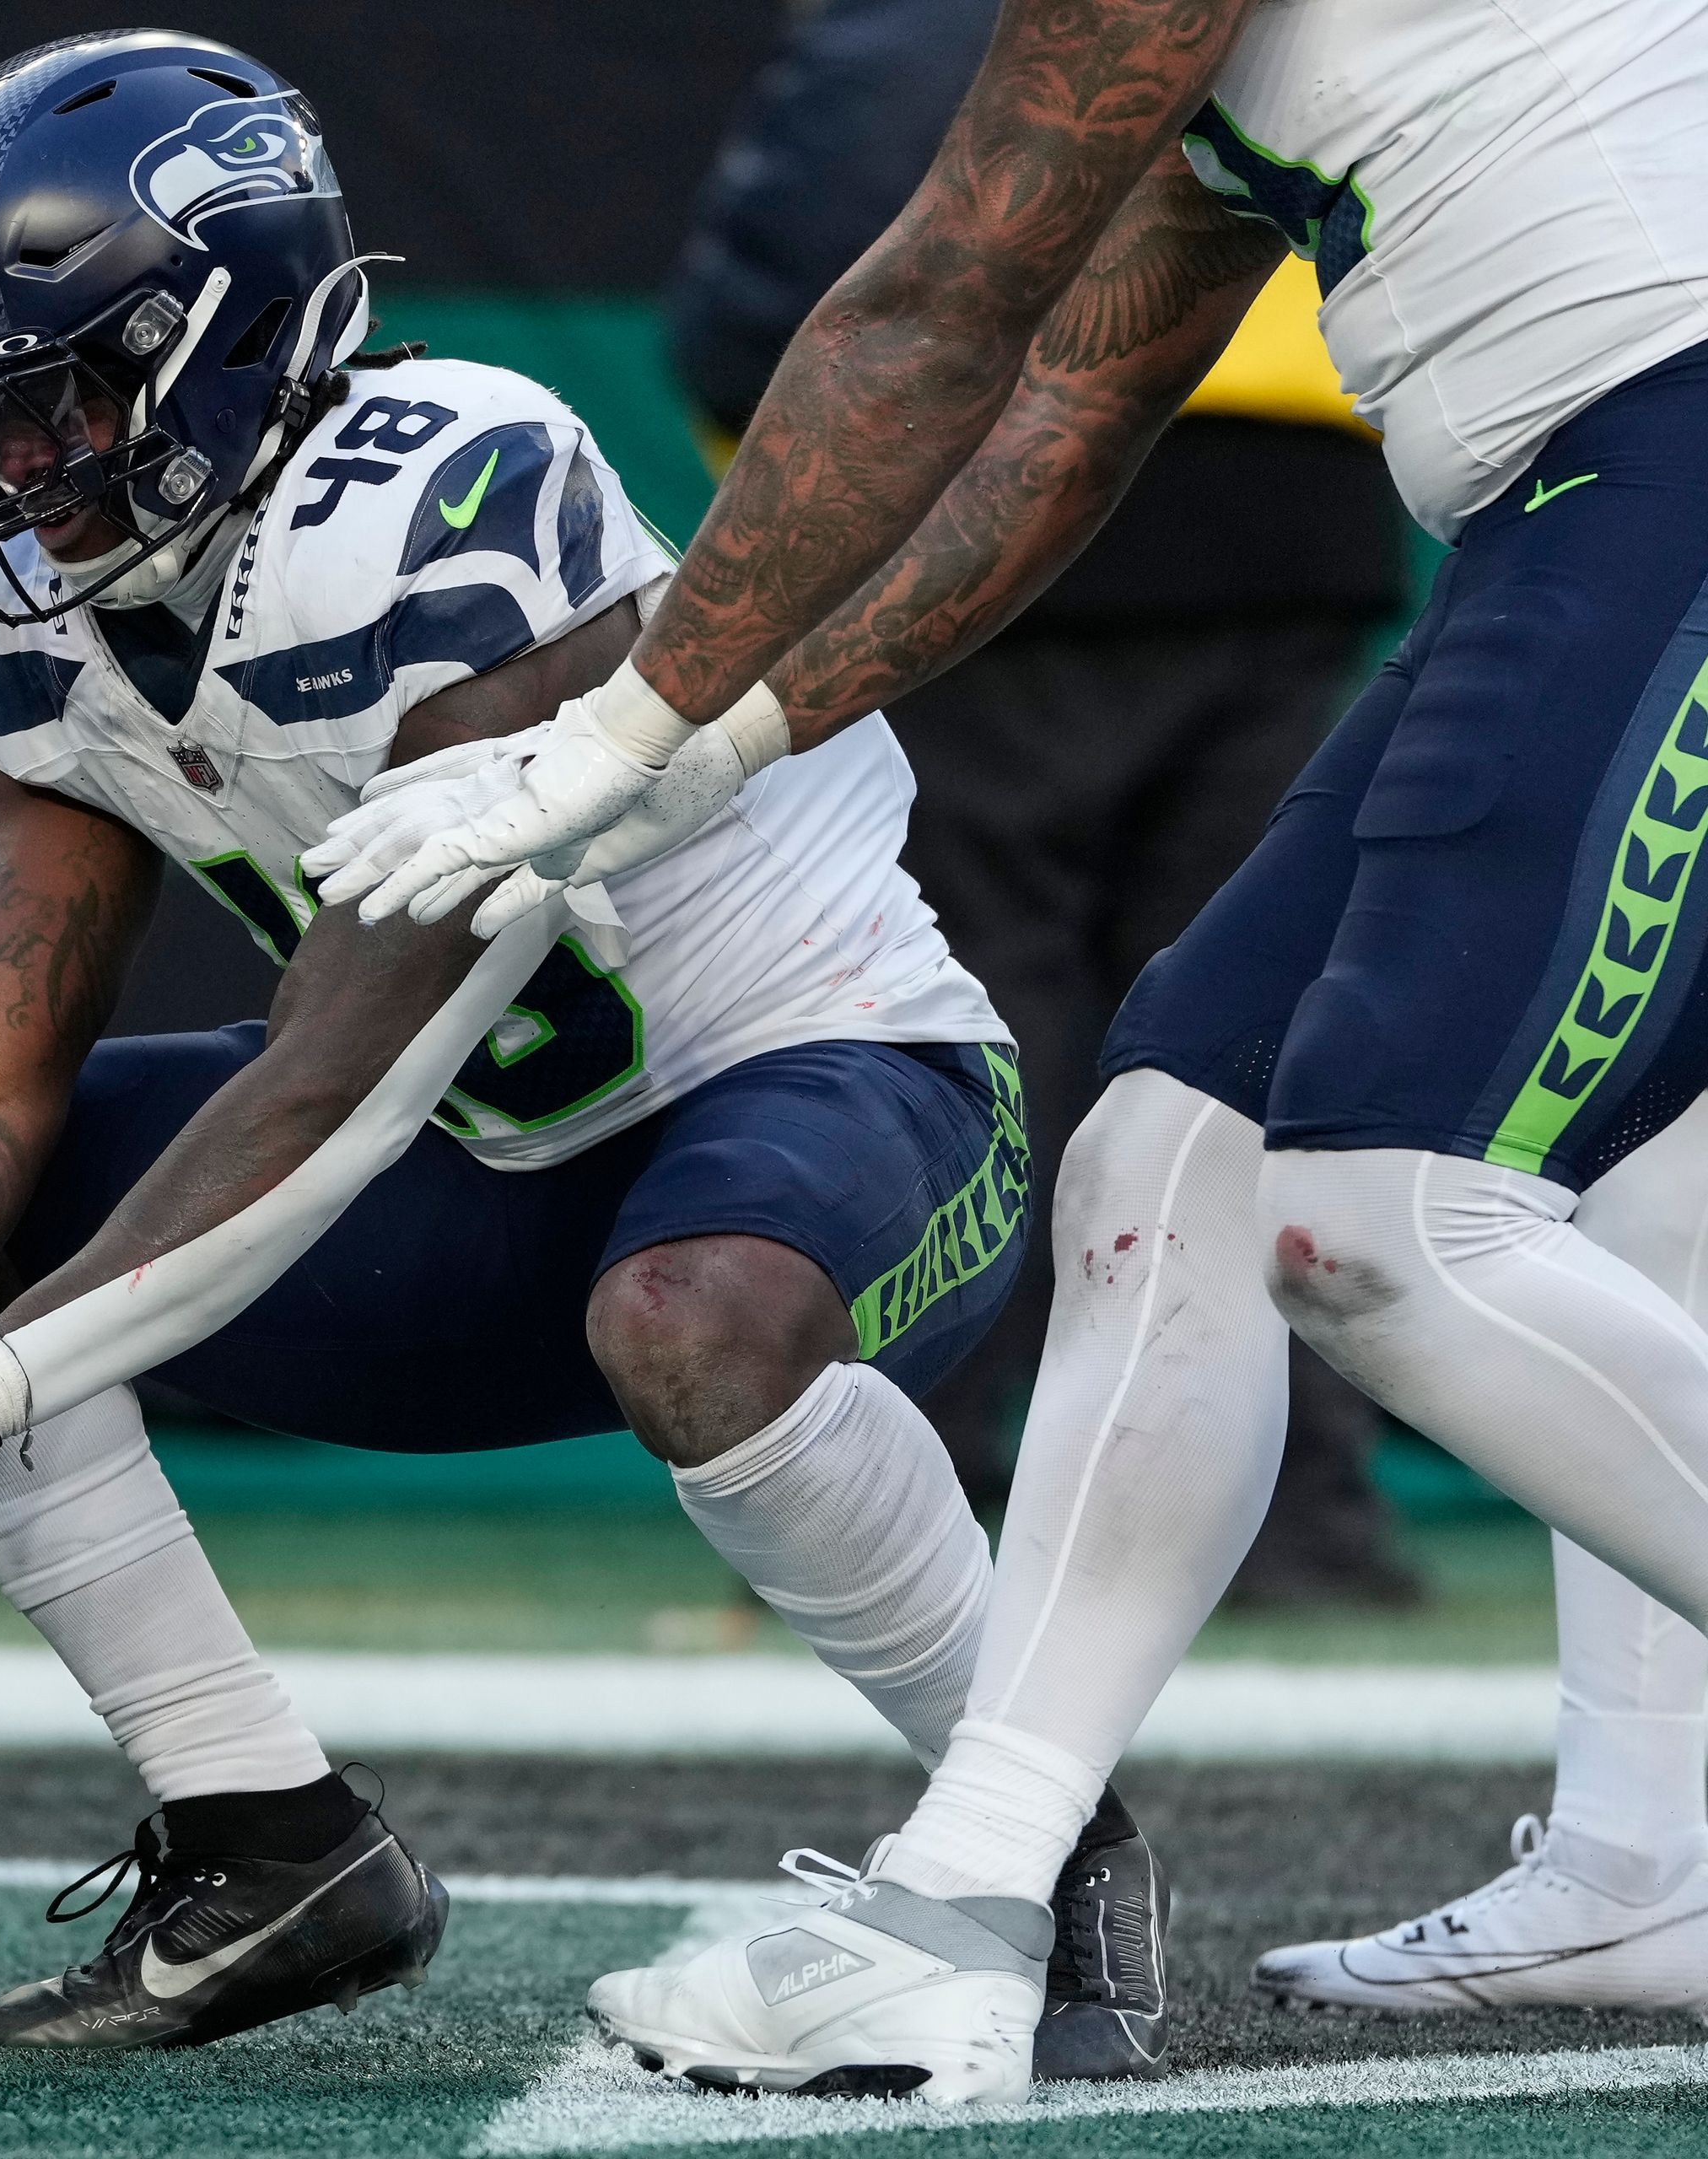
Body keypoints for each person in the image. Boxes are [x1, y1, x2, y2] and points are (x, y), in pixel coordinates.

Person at [0, 30, 1155, 2070]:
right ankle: (262, 1830)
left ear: (243, 338)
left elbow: (341, 1066)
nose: (8, 467)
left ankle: (1047, 1830)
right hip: (484, 1186)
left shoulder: (440, 488)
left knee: (693, 1310)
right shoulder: (44, 616)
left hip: (827, 1091)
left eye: (61, 391)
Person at [330, 0, 1708, 2103]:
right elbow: (1074, 393)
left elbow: (934, 308)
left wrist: (617, 723)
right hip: (1576, 498)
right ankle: (988, 1892)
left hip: (1661, 455)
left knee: (1381, 1212)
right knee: (1172, 1155)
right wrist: (724, 739)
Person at [664, 0, 1420, 1608]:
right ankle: (1298, 1534)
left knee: (960, 1054)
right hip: (1287, 547)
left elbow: (770, 310)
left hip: (965, 568)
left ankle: (888, 1509)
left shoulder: (900, 37)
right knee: (1259, 1053)